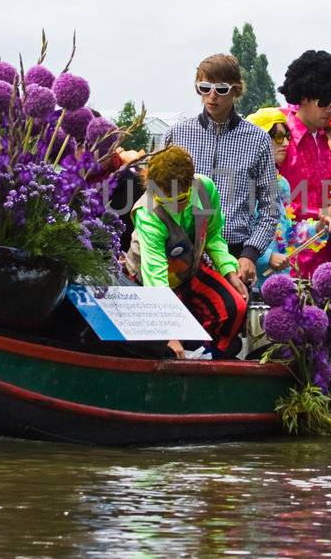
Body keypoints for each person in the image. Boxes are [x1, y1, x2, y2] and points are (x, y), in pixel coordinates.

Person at [164, 53, 279, 289]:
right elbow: (155, 197)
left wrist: (250, 253)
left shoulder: (258, 140)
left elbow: (271, 207)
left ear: (236, 90)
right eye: (204, 88)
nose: (212, 96)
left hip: (234, 254)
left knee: (230, 322)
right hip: (178, 253)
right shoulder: (176, 135)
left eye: (221, 89)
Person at [125, 146, 248, 359]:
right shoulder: (147, 212)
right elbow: (155, 278)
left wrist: (229, 271)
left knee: (236, 306)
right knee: (165, 348)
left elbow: (213, 236)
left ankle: (209, 356)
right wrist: (168, 334)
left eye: (180, 198)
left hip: (189, 270)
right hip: (148, 282)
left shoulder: (206, 188)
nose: (173, 206)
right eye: (165, 200)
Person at [277, 50, 331, 276]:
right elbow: (273, 203)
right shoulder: (281, 137)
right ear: (304, 96)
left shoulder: (322, 139)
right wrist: (325, 212)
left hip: (327, 259)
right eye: (323, 102)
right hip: (292, 261)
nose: (329, 109)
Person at [246, 106, 294, 285]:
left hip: (281, 281)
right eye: (278, 137)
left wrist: (319, 227)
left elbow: (288, 233)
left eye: (287, 136)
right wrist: (267, 256)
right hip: (252, 283)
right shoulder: (244, 182)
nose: (286, 143)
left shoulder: (282, 184)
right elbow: (233, 232)